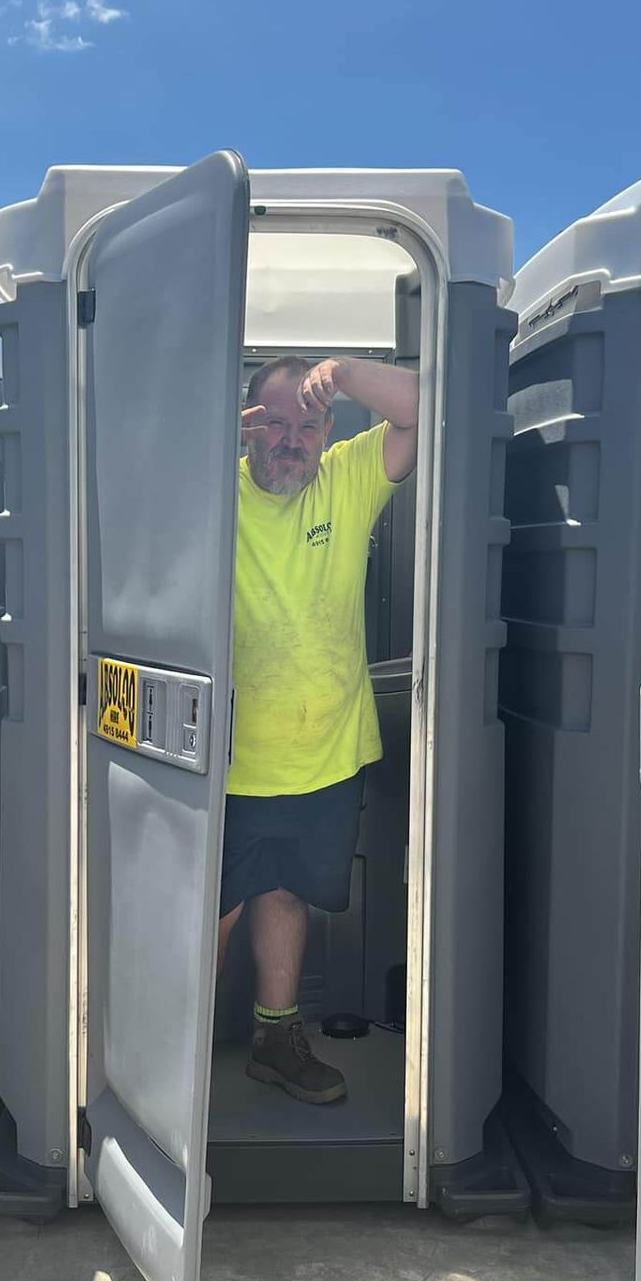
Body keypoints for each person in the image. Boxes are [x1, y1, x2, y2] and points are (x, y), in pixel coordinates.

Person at [219, 354, 421, 1104]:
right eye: (273, 423)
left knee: (284, 894)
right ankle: (169, 1069)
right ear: (246, 430)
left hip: (325, 752)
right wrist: (205, 439)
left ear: (328, 431)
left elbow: (422, 407)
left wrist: (342, 371)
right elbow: (123, 484)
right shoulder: (208, 485)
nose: (291, 441)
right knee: (205, 911)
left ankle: (277, 1040)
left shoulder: (345, 476)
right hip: (217, 758)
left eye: (306, 426)